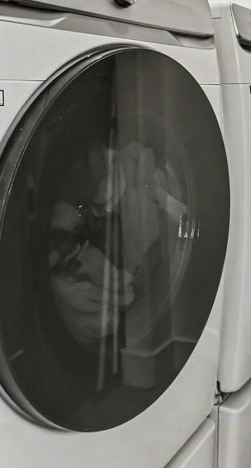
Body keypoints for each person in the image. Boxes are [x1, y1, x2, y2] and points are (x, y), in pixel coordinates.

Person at [47, 140, 187, 350]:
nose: (106, 158)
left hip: (157, 268)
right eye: (89, 162)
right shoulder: (64, 221)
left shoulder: (122, 177)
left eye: (102, 157)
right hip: (127, 309)